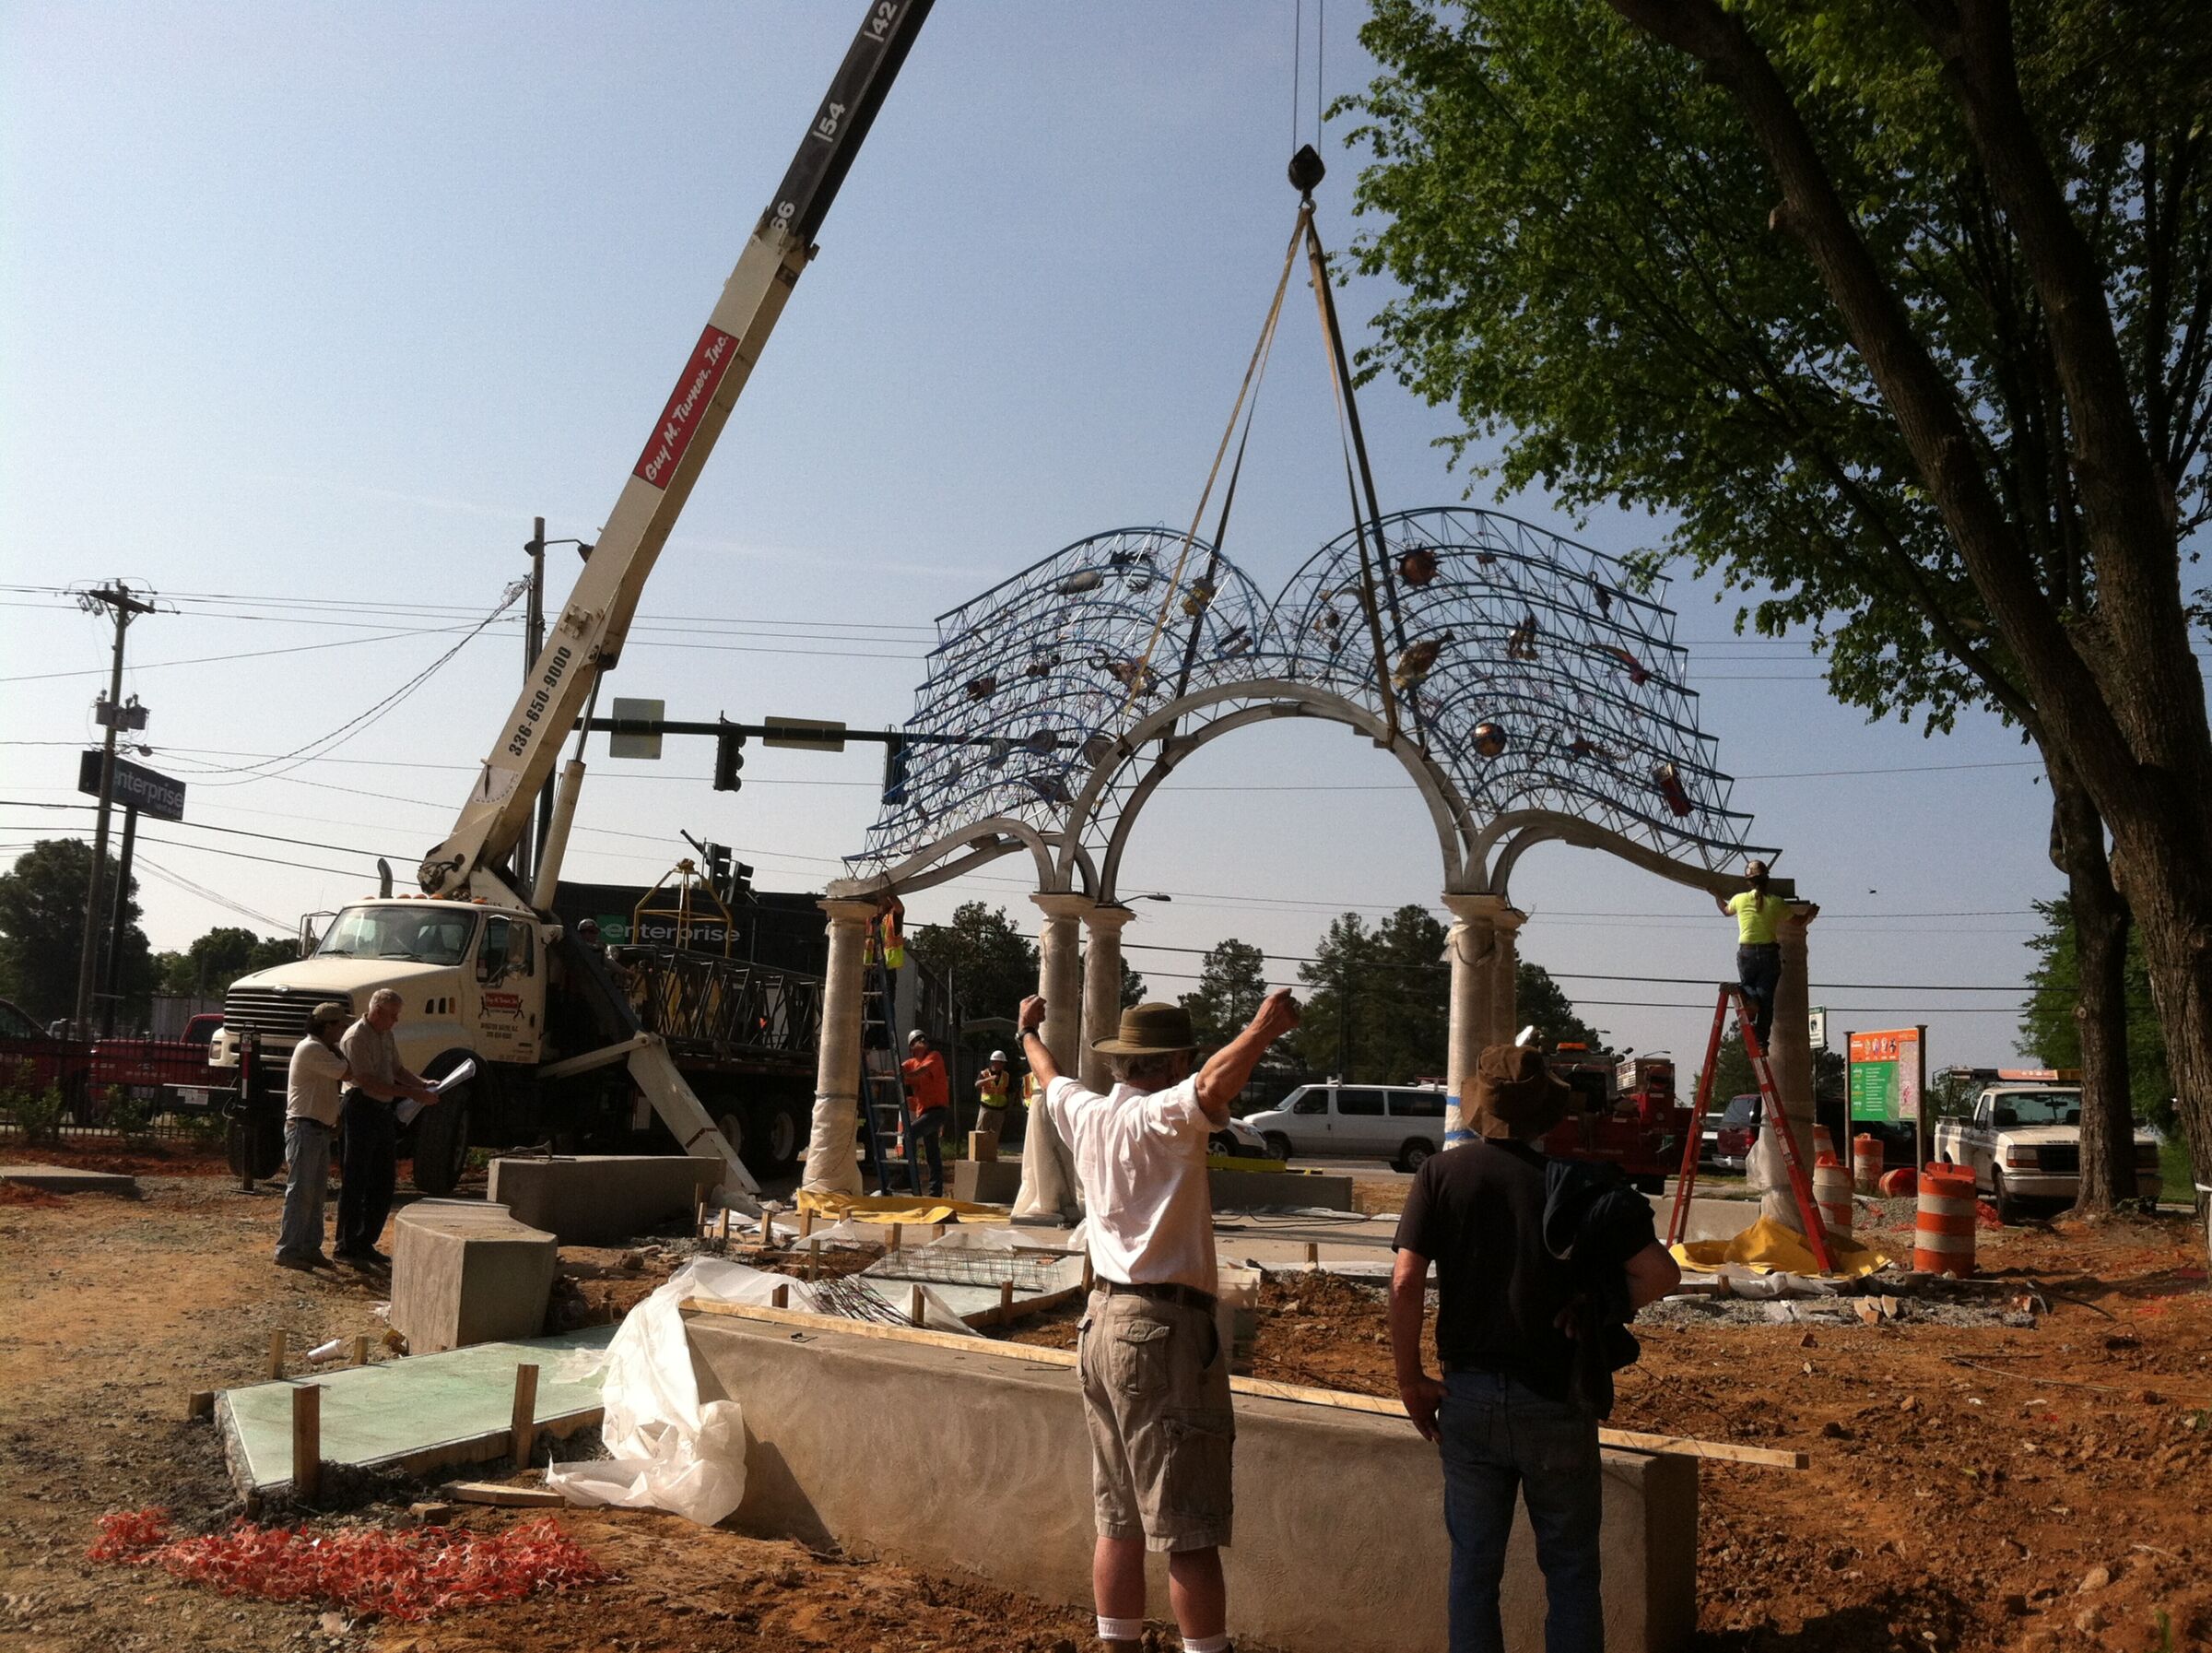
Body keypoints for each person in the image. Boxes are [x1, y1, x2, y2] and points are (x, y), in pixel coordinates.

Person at [1020, 987, 1301, 1653]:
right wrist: (1263, 1028)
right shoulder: (1163, 1118)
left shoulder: (1089, 1114)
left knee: (1118, 1517)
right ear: (1173, 1059)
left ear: (1122, 1060)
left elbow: (1049, 1076)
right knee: (1187, 1526)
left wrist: (1027, 1030)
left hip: (1100, 1322)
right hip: (1161, 1333)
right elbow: (1210, 1088)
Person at [1390, 1045, 1681, 1653]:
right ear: (1546, 1113)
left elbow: (1404, 1280)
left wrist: (1411, 1378)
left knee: (1473, 1569)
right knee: (1571, 1570)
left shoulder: (1439, 1175)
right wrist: (1605, 1305)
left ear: (1479, 1107)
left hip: (1465, 1396)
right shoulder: (1575, 1187)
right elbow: (1660, 1273)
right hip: (1555, 1397)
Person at [335, 989, 437, 1268]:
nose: (396, 1021)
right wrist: (412, 1094)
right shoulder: (357, 1037)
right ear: (378, 1011)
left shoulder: (386, 1034)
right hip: (360, 1106)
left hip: (381, 1109)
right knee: (356, 1177)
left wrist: (421, 1083)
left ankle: (365, 1243)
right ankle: (346, 1244)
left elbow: (397, 1069)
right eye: (392, 1015)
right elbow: (367, 1081)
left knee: (383, 1179)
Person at [275, 1001, 352, 1271]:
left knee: (316, 1192)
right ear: (327, 1025)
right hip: (304, 1128)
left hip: (317, 1129)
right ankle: (288, 1249)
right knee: (300, 1192)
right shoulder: (312, 1048)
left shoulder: (321, 1049)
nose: (342, 1030)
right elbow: (347, 1071)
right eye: (339, 1025)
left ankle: (309, 1247)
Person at [1713, 859, 1815, 1051]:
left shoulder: (1740, 899)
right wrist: (1810, 913)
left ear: (1748, 881)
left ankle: (1751, 999)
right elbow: (1798, 921)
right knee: (1767, 1002)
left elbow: (1725, 910)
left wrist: (1716, 895)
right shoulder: (1776, 903)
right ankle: (1761, 1042)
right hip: (1769, 955)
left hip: (1747, 953)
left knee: (1748, 988)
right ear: (1766, 880)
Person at [900, 1029, 949, 1198]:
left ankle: (908, 1176)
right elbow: (898, 1069)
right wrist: (882, 1073)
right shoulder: (911, 1063)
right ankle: (935, 1193)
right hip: (925, 1112)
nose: (922, 1041)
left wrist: (903, 1076)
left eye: (923, 1038)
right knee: (932, 1153)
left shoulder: (934, 1056)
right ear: (912, 1047)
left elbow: (920, 1072)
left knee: (909, 1134)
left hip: (936, 1112)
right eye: (918, 1040)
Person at [973, 1048, 1014, 1156]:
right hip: (985, 1108)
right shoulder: (984, 1073)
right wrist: (989, 1079)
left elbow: (1011, 1092)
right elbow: (977, 1085)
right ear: (993, 1062)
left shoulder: (1006, 1076)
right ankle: (979, 1153)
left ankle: (991, 1154)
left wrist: (1009, 1106)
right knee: (981, 1132)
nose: (1001, 1065)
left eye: (1002, 1063)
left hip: (999, 1110)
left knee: (995, 1135)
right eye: (999, 1062)